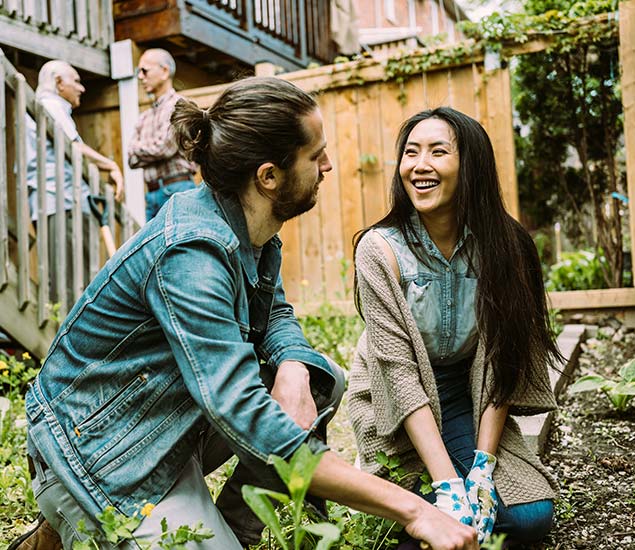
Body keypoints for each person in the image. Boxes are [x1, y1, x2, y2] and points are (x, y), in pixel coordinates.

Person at [17, 79, 477, 550]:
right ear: (269, 177)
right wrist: (417, 510)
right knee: (268, 419)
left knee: (321, 381)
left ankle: (232, 532)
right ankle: (69, 514)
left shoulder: (250, 228)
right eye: (315, 154)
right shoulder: (191, 254)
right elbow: (245, 412)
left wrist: (294, 368)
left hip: (168, 424)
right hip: (104, 454)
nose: (328, 165)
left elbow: (275, 312)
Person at [347, 107, 563, 548]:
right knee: (436, 521)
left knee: (530, 517)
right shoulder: (379, 249)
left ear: (471, 167)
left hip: (468, 392)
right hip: (394, 399)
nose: (419, 165)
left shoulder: (506, 247)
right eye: (411, 152)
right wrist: (449, 487)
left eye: (437, 152)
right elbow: (398, 375)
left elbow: (501, 363)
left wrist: (481, 466)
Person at [26, 60, 124, 308]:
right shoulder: (51, 105)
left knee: (63, 273)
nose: (82, 88)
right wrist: (111, 166)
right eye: (76, 81)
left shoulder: (46, 108)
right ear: (59, 83)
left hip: (51, 201)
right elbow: (74, 147)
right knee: (70, 276)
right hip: (61, 201)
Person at [128, 48, 197, 221]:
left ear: (165, 71)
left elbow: (164, 148)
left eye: (144, 70)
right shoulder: (144, 116)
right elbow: (130, 158)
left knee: (181, 246)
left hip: (177, 189)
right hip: (151, 195)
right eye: (138, 72)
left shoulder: (179, 106)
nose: (140, 77)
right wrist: (143, 150)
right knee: (155, 248)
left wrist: (139, 149)